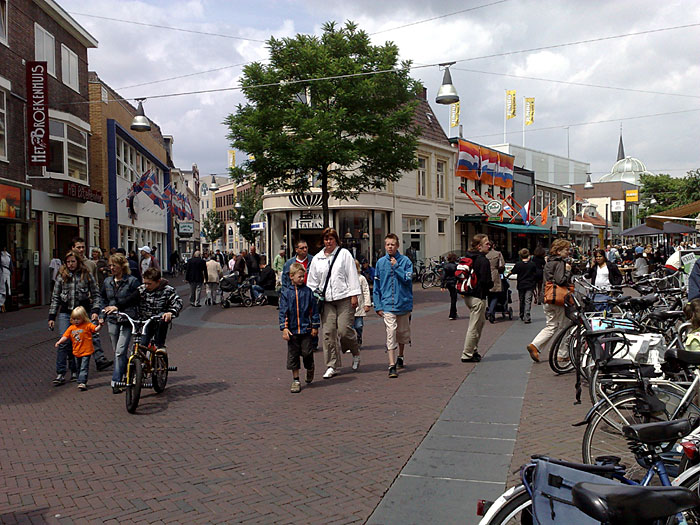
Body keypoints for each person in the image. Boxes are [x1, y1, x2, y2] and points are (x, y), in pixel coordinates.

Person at [306, 228, 361, 378]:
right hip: (327, 301)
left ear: (336, 240)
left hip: (344, 297)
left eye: (331, 239)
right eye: (326, 239)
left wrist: (354, 295)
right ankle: (332, 365)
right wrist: (312, 298)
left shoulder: (344, 255)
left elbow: (352, 275)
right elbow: (312, 282)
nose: (328, 242)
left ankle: (355, 352)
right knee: (328, 333)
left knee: (344, 330)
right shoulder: (317, 259)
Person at [48, 250, 102, 385]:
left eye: (73, 261)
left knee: (77, 341)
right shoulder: (62, 276)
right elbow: (55, 297)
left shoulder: (86, 275)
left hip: (82, 314)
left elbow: (96, 294)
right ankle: (60, 372)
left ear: (78, 262)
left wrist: (95, 310)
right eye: (68, 262)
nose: (70, 264)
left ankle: (74, 370)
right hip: (66, 313)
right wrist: (52, 316)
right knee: (64, 341)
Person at [373, 234, 413, 378]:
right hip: (387, 305)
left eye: (392, 244)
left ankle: (400, 356)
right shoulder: (380, 263)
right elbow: (376, 285)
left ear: (397, 246)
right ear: (385, 246)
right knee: (390, 332)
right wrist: (377, 305)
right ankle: (391, 365)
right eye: (387, 244)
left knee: (402, 333)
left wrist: (397, 267)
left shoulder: (406, 261)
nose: (390, 247)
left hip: (403, 304)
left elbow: (408, 279)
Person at [527, 239, 573, 363]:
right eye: (566, 250)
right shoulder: (560, 263)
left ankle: (535, 345)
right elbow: (560, 280)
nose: (568, 252)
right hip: (558, 298)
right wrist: (568, 271)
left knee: (551, 325)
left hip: (547, 298)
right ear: (558, 251)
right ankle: (562, 354)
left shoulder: (548, 262)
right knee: (565, 325)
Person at [100, 253, 141, 394]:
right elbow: (102, 299)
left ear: (122, 266)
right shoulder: (107, 282)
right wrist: (101, 314)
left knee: (120, 350)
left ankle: (116, 380)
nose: (111, 268)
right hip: (112, 320)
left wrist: (119, 307)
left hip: (127, 319)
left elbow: (136, 298)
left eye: (114, 266)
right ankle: (126, 373)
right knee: (117, 351)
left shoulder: (132, 281)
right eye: (110, 265)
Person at [279, 263, 320, 393]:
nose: (302, 279)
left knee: (307, 352)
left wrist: (314, 326)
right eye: (299, 276)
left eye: (303, 276)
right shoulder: (286, 293)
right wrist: (284, 328)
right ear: (291, 276)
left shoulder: (308, 292)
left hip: (305, 329)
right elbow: (283, 312)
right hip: (292, 330)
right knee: (293, 355)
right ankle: (296, 380)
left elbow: (313, 310)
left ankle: (310, 367)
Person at [459, 234, 493, 363]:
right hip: (478, 296)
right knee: (475, 326)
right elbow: (485, 281)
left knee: (478, 324)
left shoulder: (469, 257)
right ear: (479, 247)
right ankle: (467, 353)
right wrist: (491, 285)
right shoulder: (483, 260)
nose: (489, 245)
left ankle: (473, 350)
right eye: (487, 244)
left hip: (468, 294)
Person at [54, 306, 104, 391]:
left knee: (84, 366)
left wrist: (100, 325)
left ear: (83, 318)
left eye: (78, 319)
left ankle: (82, 382)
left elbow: (95, 329)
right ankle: (79, 378)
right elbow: (65, 336)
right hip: (76, 351)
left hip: (86, 351)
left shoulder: (87, 325)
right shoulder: (71, 328)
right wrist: (59, 342)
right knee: (78, 366)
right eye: (74, 319)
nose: (76, 321)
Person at [135, 267, 183, 350]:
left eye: (149, 284)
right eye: (145, 283)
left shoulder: (168, 290)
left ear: (158, 282)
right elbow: (130, 300)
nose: (146, 286)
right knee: (142, 345)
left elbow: (178, 302)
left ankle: (161, 353)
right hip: (145, 322)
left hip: (159, 322)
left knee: (158, 347)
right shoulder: (141, 289)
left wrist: (171, 312)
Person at [509, 248, 538, 324]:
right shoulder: (532, 264)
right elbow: (536, 274)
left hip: (521, 284)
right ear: (528, 255)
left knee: (521, 300)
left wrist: (507, 275)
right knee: (528, 300)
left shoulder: (518, 264)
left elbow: (512, 272)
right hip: (530, 284)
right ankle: (527, 316)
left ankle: (521, 314)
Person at [353, 260, 372, 350]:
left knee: (359, 325)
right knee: (348, 327)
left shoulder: (361, 278)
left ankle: (359, 337)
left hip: (359, 306)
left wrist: (367, 304)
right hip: (347, 308)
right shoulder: (344, 279)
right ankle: (351, 343)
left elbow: (366, 291)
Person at [485, 242, 506, 323]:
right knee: (495, 295)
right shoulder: (498, 254)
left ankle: (491, 313)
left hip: (486, 275)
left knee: (489, 295)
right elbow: (502, 265)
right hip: (495, 274)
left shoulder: (484, 255)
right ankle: (490, 312)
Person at [440, 252, 459, 320]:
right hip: (454, 283)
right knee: (454, 299)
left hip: (448, 283)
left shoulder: (446, 266)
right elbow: (458, 275)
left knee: (453, 297)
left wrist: (442, 285)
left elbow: (443, 276)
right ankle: (452, 314)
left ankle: (454, 312)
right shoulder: (456, 266)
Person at [0, 247, 13, 312]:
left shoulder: (8, 255)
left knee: (7, 288)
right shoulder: (1, 255)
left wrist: (11, 271)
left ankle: (5, 305)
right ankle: (1, 304)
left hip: (7, 272)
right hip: (2, 272)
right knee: (2, 289)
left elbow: (10, 265)